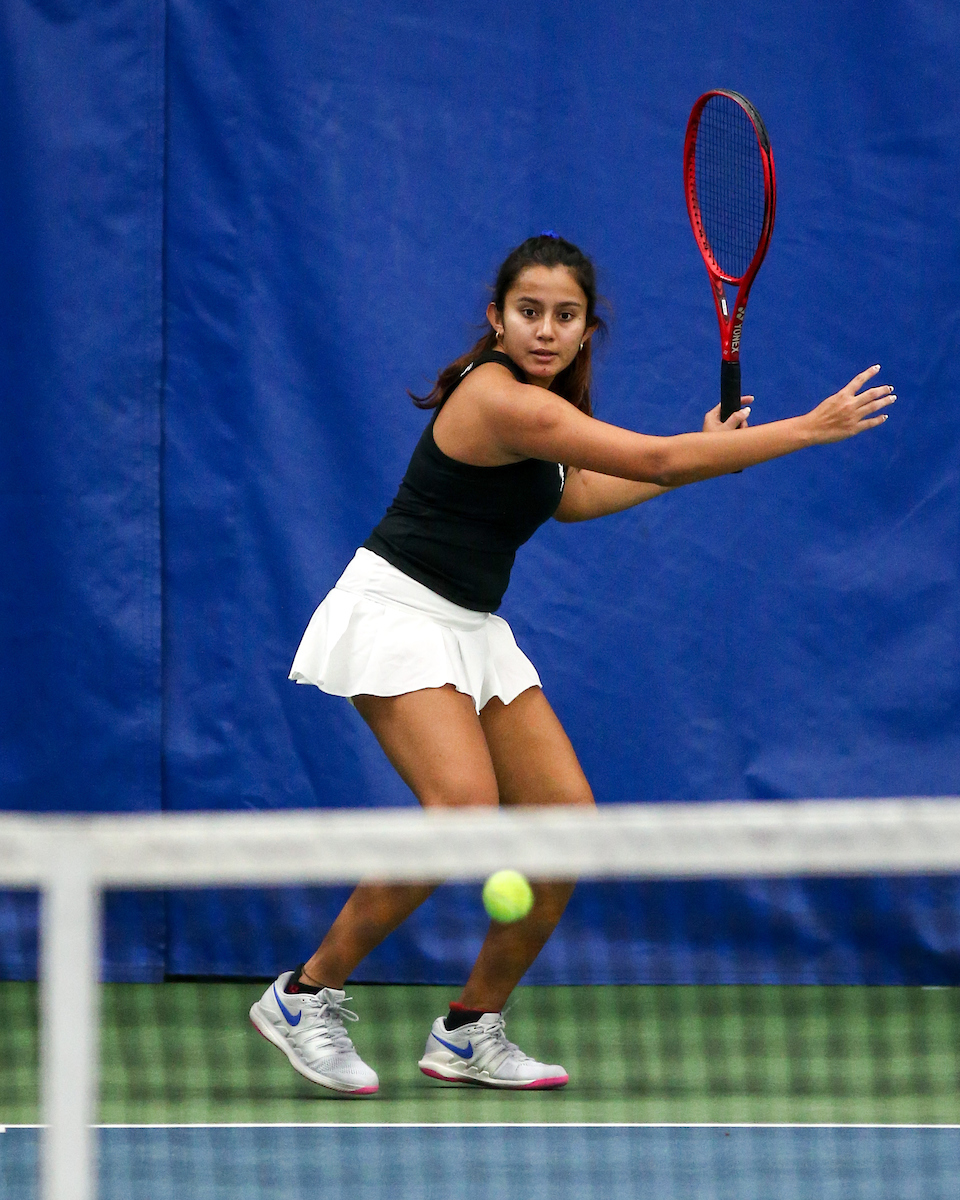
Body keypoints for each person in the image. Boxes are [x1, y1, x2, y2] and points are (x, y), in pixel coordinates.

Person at [249, 233, 894, 1095]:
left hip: (471, 628)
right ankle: (304, 993)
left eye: (565, 315)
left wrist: (703, 455)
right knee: (462, 811)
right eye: (528, 312)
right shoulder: (499, 396)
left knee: (565, 824)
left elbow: (580, 497)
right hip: (397, 613)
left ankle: (470, 1029)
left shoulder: (548, 418)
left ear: (588, 328)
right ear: (496, 319)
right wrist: (803, 432)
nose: (545, 330)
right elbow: (655, 457)